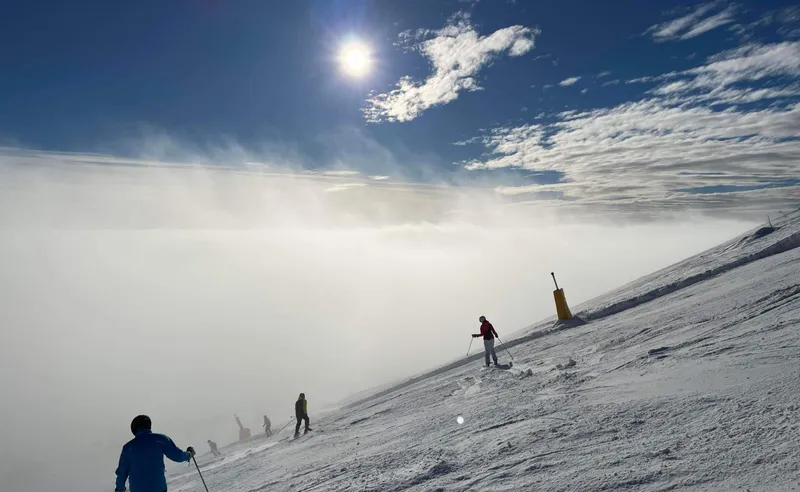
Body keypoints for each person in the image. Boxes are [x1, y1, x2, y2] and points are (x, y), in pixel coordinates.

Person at [114, 415, 195, 492]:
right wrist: (189, 454)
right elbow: (177, 456)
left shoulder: (128, 448)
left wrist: (119, 489)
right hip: (159, 488)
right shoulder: (161, 439)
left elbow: (122, 472)